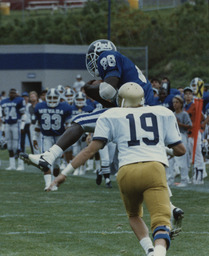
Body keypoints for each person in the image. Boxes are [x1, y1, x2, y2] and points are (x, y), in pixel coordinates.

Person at [19, 40, 184, 230]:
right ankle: (171, 208)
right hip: (143, 113)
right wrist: (91, 90)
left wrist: (90, 89)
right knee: (147, 161)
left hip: (132, 111)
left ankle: (48, 157)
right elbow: (110, 99)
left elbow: (107, 90)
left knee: (80, 121)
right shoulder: (125, 68)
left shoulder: (108, 56)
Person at [47, 82, 186, 256]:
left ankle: (149, 251)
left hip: (126, 171)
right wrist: (161, 148)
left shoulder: (112, 114)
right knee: (161, 221)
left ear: (120, 99)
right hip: (153, 168)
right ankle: (158, 252)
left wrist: (62, 175)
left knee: (134, 215)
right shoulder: (162, 112)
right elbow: (181, 151)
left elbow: (90, 150)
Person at [31, 88, 73, 190]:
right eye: (50, 97)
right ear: (46, 98)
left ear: (59, 98)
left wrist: (67, 140)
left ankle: (54, 182)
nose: (52, 99)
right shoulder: (40, 106)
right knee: (46, 161)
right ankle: (48, 185)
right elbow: (37, 125)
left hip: (60, 137)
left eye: (55, 97)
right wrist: (34, 138)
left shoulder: (65, 107)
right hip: (46, 137)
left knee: (57, 163)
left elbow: (68, 126)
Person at [166, 95, 192, 187]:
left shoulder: (184, 114)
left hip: (182, 135)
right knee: (170, 158)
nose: (174, 104)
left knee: (182, 158)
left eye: (176, 102)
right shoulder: (172, 114)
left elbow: (189, 126)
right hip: (173, 136)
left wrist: (179, 123)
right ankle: (169, 179)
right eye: (173, 102)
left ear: (181, 104)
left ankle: (184, 179)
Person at [183, 86, 206, 184]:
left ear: (192, 95)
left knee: (197, 155)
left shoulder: (195, 105)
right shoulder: (184, 106)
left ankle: (199, 176)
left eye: (190, 93)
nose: (188, 95)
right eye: (186, 94)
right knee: (190, 155)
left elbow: (202, 117)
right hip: (188, 134)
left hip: (195, 133)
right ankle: (196, 175)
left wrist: (200, 126)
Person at [1, 88, 26, 170]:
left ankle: (20, 164)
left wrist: (22, 126)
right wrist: (3, 128)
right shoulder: (4, 101)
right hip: (8, 124)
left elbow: (23, 114)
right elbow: (3, 115)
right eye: (11, 92)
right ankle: (12, 165)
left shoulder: (19, 100)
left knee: (17, 145)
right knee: (9, 146)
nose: (12, 94)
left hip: (16, 124)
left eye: (14, 93)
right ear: (9, 93)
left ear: (16, 93)